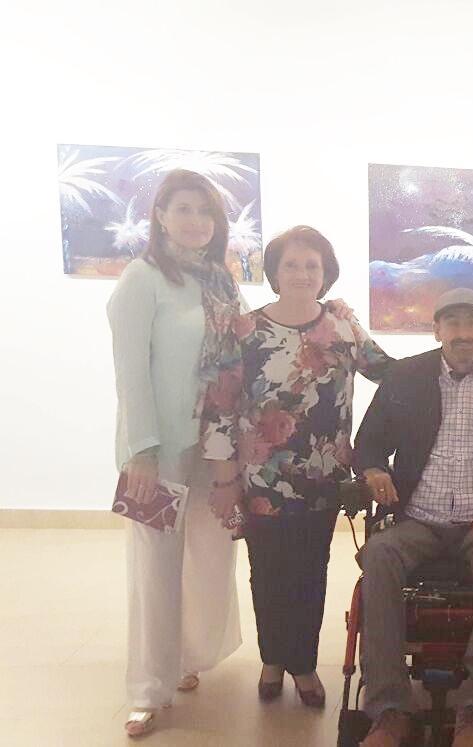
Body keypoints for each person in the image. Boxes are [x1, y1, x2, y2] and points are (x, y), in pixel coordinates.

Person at [201, 225, 392, 708]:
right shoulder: (245, 330)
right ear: (274, 272)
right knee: (267, 571)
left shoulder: (343, 327)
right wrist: (224, 476)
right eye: (291, 264)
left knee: (310, 571)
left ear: (326, 273)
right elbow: (220, 406)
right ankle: (272, 660)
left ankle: (303, 665)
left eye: (312, 265)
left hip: (324, 476)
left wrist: (449, 363)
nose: (302, 274)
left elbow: (391, 375)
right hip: (261, 478)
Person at [353, 289, 473, 747]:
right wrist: (374, 468)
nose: (464, 333)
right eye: (453, 323)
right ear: (437, 330)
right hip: (417, 519)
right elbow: (369, 441)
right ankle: (389, 708)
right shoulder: (405, 377)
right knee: (378, 554)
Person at [107, 169, 244, 737]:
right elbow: (130, 372)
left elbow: (240, 356)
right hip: (158, 450)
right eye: (183, 209)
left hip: (214, 446)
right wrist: (140, 449)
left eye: (205, 211)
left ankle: (187, 656)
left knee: (210, 556)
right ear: (160, 216)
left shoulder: (221, 282)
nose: (195, 221)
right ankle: (147, 688)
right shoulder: (141, 279)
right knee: (156, 568)